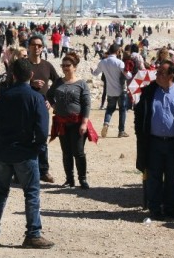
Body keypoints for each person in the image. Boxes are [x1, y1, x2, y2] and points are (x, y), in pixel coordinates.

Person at [0, 59, 54, 249]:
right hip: (25, 152)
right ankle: (33, 234)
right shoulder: (36, 98)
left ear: (13, 75)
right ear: (31, 76)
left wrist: (1, 140)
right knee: (31, 194)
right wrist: (35, 147)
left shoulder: (3, 96)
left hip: (4, 151)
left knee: (0, 193)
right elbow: (43, 131)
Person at [134, 60, 174, 220]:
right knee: (154, 177)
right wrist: (140, 134)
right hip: (153, 143)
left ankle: (170, 209)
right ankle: (154, 209)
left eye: (160, 73)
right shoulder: (149, 92)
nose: (156, 75)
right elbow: (139, 115)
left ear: (172, 75)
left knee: (172, 177)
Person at [47, 52, 93, 189]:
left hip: (77, 123)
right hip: (62, 123)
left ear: (75, 67)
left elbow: (87, 104)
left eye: (68, 65)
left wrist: (84, 123)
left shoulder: (82, 84)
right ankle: (69, 180)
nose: (65, 68)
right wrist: (55, 106)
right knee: (66, 152)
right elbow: (49, 95)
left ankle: (83, 179)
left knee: (78, 152)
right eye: (63, 65)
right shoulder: (58, 82)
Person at [26, 34, 59, 183]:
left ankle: (43, 171)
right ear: (29, 46)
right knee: (24, 139)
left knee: (42, 140)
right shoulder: (23, 64)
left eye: (39, 45)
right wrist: (30, 85)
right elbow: (11, 83)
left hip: (42, 110)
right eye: (34, 44)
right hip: (25, 109)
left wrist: (51, 102)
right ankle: (21, 171)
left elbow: (58, 83)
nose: (36, 48)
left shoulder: (47, 65)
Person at [92, 44, 131, 138]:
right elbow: (128, 76)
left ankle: (106, 123)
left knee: (109, 109)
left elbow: (95, 73)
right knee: (122, 110)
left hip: (110, 90)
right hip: (121, 90)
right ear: (117, 52)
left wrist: (91, 71)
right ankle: (121, 131)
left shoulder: (103, 62)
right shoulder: (119, 62)